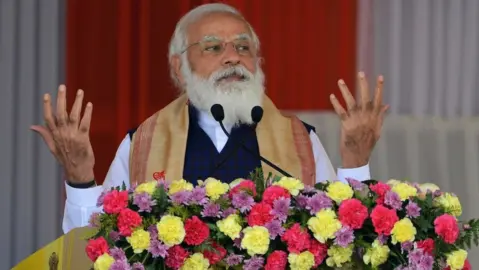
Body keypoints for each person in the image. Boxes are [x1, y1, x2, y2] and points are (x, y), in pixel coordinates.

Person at [31, 3, 388, 233]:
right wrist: (80, 179)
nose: (232, 57)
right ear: (179, 66)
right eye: (214, 47)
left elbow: (347, 238)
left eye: (243, 47)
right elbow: (94, 247)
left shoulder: (298, 139)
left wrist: (356, 162)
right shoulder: (143, 142)